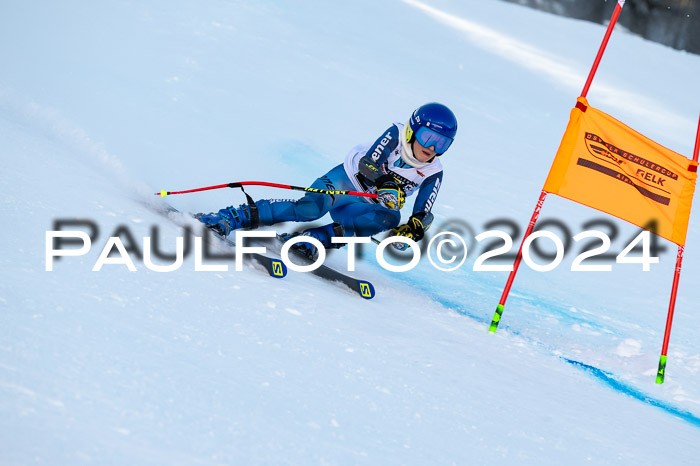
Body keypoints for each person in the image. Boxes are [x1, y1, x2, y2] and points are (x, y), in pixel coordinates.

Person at [197, 102, 457, 259]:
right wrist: (387, 183)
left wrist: (413, 229)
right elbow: (369, 164)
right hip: (346, 181)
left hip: (365, 205)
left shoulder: (434, 170)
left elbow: (423, 211)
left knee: (388, 219)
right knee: (310, 208)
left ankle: (312, 240)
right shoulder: (397, 133)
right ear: (413, 130)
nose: (432, 148)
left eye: (442, 143)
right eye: (428, 137)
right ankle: (230, 217)